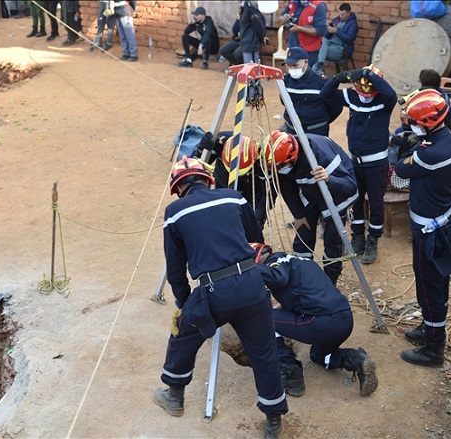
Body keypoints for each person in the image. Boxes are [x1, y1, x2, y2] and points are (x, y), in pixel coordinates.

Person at [154, 156, 288, 439]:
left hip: (214, 291)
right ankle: (273, 418)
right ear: (208, 179)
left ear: (179, 188)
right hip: (252, 283)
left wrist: (184, 304)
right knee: (264, 352)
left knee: (183, 334)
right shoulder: (233, 197)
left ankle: (175, 396)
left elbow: (175, 268)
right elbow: (254, 236)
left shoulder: (174, 212)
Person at [395, 89, 451, 367]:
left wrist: (408, 144)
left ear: (428, 124)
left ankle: (434, 349)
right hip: (445, 224)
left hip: (428, 233)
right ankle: (430, 328)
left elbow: (401, 169)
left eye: (414, 123)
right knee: (437, 283)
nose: (412, 126)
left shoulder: (427, 154)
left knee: (429, 285)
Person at [252, 243, 378, 398]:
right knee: (317, 355)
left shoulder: (276, 262)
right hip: (344, 320)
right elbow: (305, 293)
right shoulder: (300, 263)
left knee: (262, 319)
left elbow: (279, 277)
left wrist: (248, 269)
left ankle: (291, 375)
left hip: (321, 324)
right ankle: (356, 359)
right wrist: (281, 307)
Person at [320, 65, 397, 264]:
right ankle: (358, 237)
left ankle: (373, 239)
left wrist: (366, 73)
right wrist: (338, 78)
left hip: (376, 163)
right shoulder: (352, 96)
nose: (365, 94)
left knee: (376, 202)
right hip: (354, 162)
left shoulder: (384, 100)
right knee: (355, 200)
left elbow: (391, 93)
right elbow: (325, 94)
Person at [263, 130, 358, 286]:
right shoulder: (278, 158)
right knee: (303, 233)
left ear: (292, 158)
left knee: (332, 241)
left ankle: (329, 283)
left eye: (281, 166)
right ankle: (302, 279)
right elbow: (287, 188)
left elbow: (350, 187)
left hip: (336, 195)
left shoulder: (321, 156)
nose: (278, 169)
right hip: (311, 192)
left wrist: (329, 179)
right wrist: (299, 214)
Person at [196, 131, 277, 228]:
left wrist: (259, 215)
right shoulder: (220, 143)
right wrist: (201, 150)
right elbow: (197, 166)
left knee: (251, 229)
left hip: (251, 196)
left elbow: (269, 193)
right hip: (223, 189)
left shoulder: (261, 159)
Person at [281, 47, 343, 137]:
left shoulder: (322, 83)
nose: (292, 69)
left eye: (295, 65)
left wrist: (322, 121)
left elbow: (336, 107)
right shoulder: (285, 81)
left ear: (306, 62)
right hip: (292, 130)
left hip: (316, 132)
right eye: (289, 66)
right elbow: (284, 101)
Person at [312, 3, 358, 77]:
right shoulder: (336, 20)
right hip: (329, 45)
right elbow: (326, 36)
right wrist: (329, 31)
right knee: (323, 42)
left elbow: (349, 39)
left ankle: (317, 72)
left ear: (348, 13)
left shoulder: (353, 24)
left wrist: (336, 31)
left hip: (341, 49)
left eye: (343, 14)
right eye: (339, 14)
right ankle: (319, 68)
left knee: (318, 52)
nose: (340, 16)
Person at [279, 0, 328, 67]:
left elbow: (321, 31)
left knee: (307, 72)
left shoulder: (319, 6)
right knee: (293, 71)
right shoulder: (293, 2)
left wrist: (300, 29)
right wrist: (284, 18)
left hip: (309, 49)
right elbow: (281, 17)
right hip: (292, 46)